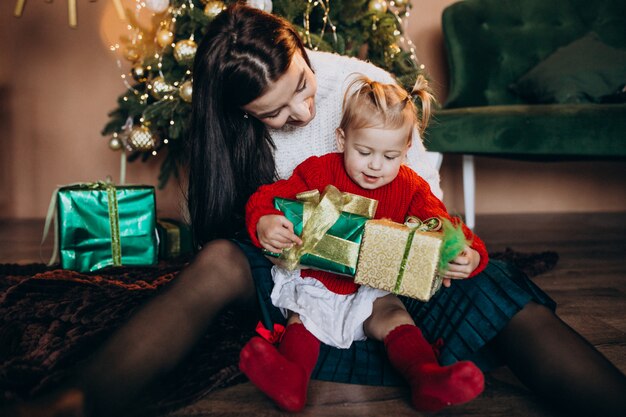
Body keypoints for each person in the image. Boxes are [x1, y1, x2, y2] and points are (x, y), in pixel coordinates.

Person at [11, 3, 626, 417]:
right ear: (241, 117)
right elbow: (248, 213)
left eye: (301, 86)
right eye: (275, 114)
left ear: (304, 52)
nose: (302, 114)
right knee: (220, 259)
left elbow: (425, 203)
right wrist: (265, 227)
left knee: (498, 290)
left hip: (391, 275)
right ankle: (75, 400)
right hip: (298, 276)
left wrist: (444, 251)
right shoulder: (234, 136)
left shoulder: (363, 86)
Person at [240, 74, 487, 412]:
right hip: (319, 282)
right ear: (342, 139)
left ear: (406, 150)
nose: (375, 165)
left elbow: (444, 224)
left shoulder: (411, 187)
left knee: (394, 315)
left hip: (374, 288)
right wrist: (264, 220)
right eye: (364, 151)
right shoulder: (319, 171)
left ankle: (425, 376)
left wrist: (467, 253)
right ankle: (291, 378)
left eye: (389, 156)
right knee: (302, 319)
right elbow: (267, 197)